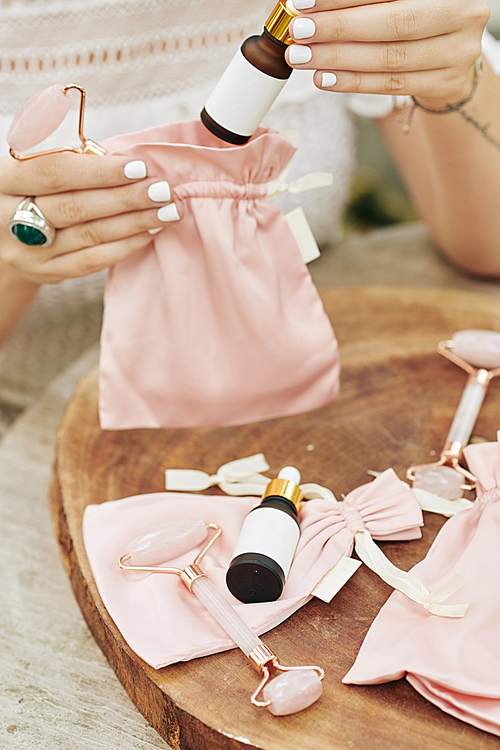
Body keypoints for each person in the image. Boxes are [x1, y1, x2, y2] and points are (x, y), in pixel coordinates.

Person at [0, 0, 498, 422]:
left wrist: (452, 79)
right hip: (41, 423)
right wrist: (15, 259)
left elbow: (488, 244)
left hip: (313, 388)